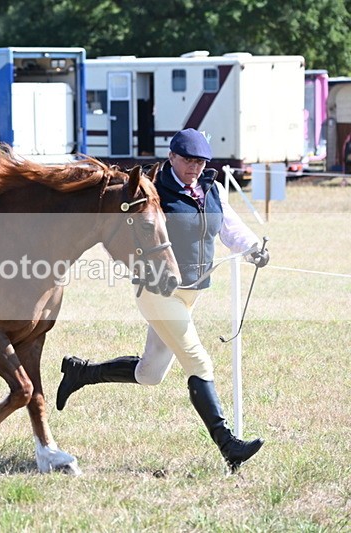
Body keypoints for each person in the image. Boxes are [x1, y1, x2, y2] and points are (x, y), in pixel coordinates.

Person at [56, 128, 270, 473]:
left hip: (192, 292)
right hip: (157, 291)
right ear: (172, 157)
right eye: (188, 160)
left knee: (150, 373)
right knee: (199, 362)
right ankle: (228, 445)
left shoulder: (212, 189)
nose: (195, 167)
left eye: (200, 161)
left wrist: (253, 249)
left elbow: (229, 229)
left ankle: (81, 372)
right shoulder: (154, 191)